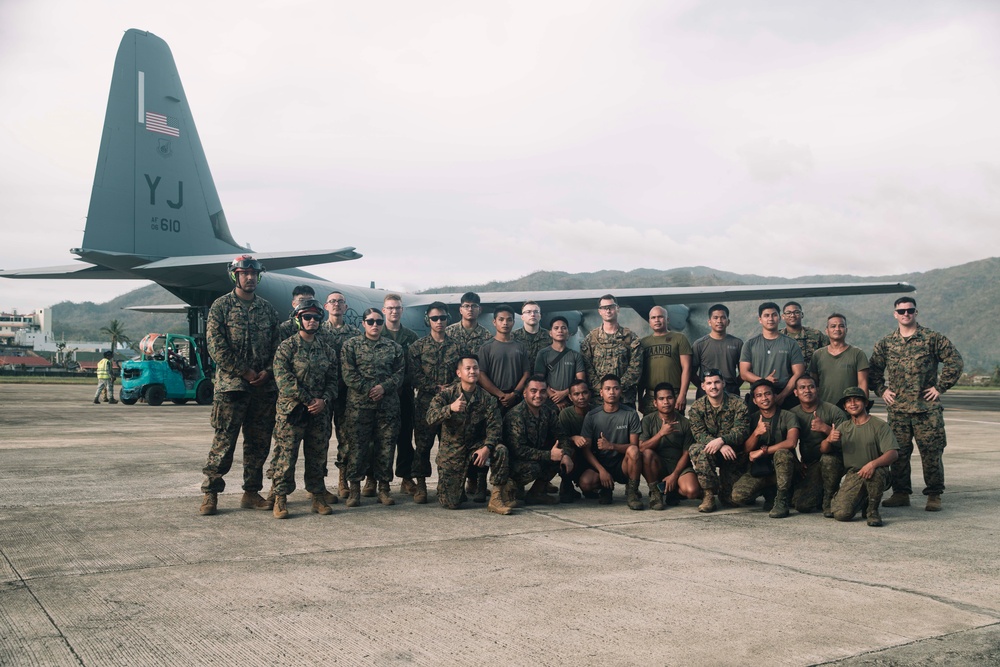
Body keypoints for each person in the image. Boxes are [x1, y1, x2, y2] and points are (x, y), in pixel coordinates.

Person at [199, 255, 281, 516]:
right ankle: (211, 493)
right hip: (232, 387)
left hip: (263, 389)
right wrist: (244, 371)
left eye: (254, 274)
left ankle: (251, 493)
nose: (250, 278)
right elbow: (215, 346)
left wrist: (267, 372)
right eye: (244, 273)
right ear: (235, 276)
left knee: (258, 444)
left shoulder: (267, 309)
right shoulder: (221, 306)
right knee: (224, 442)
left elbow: (277, 348)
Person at [868, 297, 963, 512]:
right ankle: (901, 493)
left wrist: (940, 387)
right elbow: (873, 370)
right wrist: (882, 391)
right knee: (898, 453)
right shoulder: (886, 343)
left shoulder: (932, 338)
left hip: (926, 410)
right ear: (895, 314)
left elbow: (955, 360)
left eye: (909, 310)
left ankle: (934, 494)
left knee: (931, 452)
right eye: (901, 311)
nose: (905, 314)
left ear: (916, 312)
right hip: (899, 410)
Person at [270, 300, 339, 519]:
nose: (312, 321)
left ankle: (317, 495)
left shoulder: (326, 350)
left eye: (316, 318)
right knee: (286, 455)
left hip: (319, 412)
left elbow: (333, 380)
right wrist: (309, 400)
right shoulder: (286, 347)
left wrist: (324, 400)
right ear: (298, 319)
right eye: (307, 317)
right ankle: (280, 497)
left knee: (317, 454)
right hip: (292, 411)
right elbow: (284, 380)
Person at [425, 355, 514, 515]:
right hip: (453, 452)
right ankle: (462, 486)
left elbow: (495, 427)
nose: (472, 371)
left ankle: (495, 498)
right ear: (459, 373)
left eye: (475, 368)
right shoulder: (447, 395)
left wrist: (487, 447)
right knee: (451, 503)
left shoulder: (487, 398)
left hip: (476, 448)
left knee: (500, 450)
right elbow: (430, 418)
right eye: (468, 368)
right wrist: (450, 408)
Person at [340, 307, 404, 507]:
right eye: (370, 321)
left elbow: (400, 373)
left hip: (388, 406)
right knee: (357, 448)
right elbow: (348, 374)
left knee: (386, 448)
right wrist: (370, 389)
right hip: (359, 407)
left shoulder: (393, 348)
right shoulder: (351, 346)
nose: (375, 325)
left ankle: (383, 489)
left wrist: (383, 388)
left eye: (378, 321)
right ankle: (355, 490)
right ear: (363, 323)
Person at [407, 301, 463, 504]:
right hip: (425, 403)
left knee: (448, 447)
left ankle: (445, 485)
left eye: (443, 318)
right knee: (423, 446)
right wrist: (434, 387)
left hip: (450, 404)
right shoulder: (418, 347)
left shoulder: (457, 346)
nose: (439, 322)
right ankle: (420, 485)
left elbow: (463, 372)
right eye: (435, 318)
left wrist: (451, 388)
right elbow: (414, 375)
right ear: (427, 320)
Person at [474, 304, 530, 500]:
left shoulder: (520, 347)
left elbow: (526, 373)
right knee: (489, 442)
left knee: (515, 443)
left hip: (516, 402)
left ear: (514, 322)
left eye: (509, 320)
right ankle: (481, 485)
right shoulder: (486, 348)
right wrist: (499, 394)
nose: (505, 323)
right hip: (493, 403)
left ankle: (514, 485)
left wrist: (515, 393)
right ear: (494, 322)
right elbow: (481, 374)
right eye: (501, 319)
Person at [825, 387, 900, 527]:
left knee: (875, 473)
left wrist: (872, 464)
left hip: (877, 472)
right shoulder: (843, 427)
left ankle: (873, 510)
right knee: (842, 514)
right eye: (848, 401)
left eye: (857, 399)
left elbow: (893, 453)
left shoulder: (879, 426)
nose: (852, 403)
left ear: (865, 403)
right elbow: (824, 450)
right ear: (845, 407)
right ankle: (861, 499)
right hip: (855, 473)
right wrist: (829, 439)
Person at [730, 380, 800, 518]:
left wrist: (764, 451)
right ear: (755, 401)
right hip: (761, 469)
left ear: (774, 396)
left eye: (767, 394)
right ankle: (768, 491)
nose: (764, 398)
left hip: (784, 469)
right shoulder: (751, 419)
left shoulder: (788, 416)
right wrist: (756, 432)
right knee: (738, 496)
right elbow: (746, 449)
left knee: (782, 454)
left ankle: (781, 499)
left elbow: (791, 442)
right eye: (759, 395)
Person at [687, 369, 750, 513]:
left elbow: (742, 431)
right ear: (703, 386)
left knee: (734, 498)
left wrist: (722, 440)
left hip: (733, 454)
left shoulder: (738, 404)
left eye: (716, 382)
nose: (713, 386)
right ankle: (708, 495)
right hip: (713, 451)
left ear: (723, 383)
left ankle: (725, 490)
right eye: (709, 383)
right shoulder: (697, 407)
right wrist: (719, 444)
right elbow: (698, 433)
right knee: (697, 450)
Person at [578, 374, 644, 510]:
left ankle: (632, 492)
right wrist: (601, 470)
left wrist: (611, 446)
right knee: (585, 483)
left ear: (621, 391)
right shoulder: (592, 416)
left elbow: (634, 446)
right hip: (601, 463)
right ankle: (605, 489)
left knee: (634, 451)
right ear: (601, 393)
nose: (612, 392)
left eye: (615, 388)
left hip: (622, 465)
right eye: (607, 389)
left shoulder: (630, 414)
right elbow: (586, 449)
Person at [505, 375, 568, 505]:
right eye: (533, 391)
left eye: (543, 391)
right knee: (537, 466)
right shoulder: (516, 415)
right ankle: (509, 488)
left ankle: (535, 493)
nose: (538, 395)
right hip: (512, 464)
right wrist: (548, 455)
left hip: (535, 457)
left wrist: (566, 455)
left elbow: (562, 436)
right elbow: (518, 450)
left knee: (559, 457)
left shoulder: (548, 412)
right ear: (525, 393)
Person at [789, 375, 846, 517]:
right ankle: (825, 491)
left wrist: (825, 428)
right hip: (811, 464)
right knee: (801, 504)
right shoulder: (793, 414)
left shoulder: (833, 411)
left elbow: (848, 441)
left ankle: (829, 498)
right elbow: (788, 443)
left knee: (828, 460)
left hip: (836, 460)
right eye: (802, 387)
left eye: (811, 387)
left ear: (817, 389)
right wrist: (797, 463)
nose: (807, 390)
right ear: (795, 392)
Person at [381, 294, 419, 497]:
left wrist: (401, 384)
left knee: (405, 437)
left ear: (402, 310)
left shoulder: (411, 337)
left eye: (397, 308)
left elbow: (414, 368)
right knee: (379, 438)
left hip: (404, 394)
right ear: (384, 310)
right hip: (382, 395)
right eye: (390, 308)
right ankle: (375, 478)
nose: (394, 311)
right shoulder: (377, 332)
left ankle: (406, 477)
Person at [638, 383, 700, 510]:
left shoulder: (685, 423)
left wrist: (674, 475)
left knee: (692, 491)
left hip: (679, 466)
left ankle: (673, 491)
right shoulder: (648, 420)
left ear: (675, 399)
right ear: (655, 403)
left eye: (669, 398)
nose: (666, 402)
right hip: (658, 466)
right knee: (647, 454)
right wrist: (661, 433)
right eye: (661, 399)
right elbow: (642, 448)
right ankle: (655, 492)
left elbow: (686, 453)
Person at [324, 291, 361, 498]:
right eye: (332, 301)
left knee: (346, 438)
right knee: (319, 439)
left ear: (346, 307)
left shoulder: (355, 334)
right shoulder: (319, 331)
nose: (336, 304)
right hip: (323, 394)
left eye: (340, 302)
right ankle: (317, 483)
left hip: (347, 394)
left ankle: (342, 479)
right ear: (326, 306)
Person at [580, 294, 643, 409]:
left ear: (617, 308)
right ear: (600, 311)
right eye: (604, 308)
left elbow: (636, 367)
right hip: (598, 401)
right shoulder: (591, 339)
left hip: (624, 399)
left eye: (611, 307)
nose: (608, 310)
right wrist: (602, 389)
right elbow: (587, 367)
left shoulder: (630, 337)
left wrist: (617, 389)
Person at [739, 302, 805, 410]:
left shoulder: (791, 343)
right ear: (760, 319)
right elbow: (744, 373)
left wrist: (782, 396)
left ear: (779, 318)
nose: (770, 318)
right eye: (766, 315)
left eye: (774, 315)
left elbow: (799, 372)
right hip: (758, 394)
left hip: (785, 395)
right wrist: (764, 381)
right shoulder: (750, 344)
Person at [639, 306, 692, 414]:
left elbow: (687, 368)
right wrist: (640, 398)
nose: (657, 320)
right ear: (649, 321)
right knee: (651, 429)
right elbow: (640, 373)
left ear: (667, 320)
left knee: (675, 429)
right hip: (651, 396)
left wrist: (682, 395)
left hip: (673, 395)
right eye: (653, 318)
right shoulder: (643, 343)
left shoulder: (679, 339)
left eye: (660, 317)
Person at [808, 313, 869, 406]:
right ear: (827, 330)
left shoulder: (858, 354)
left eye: (841, 326)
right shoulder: (817, 355)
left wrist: (864, 407)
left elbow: (862, 384)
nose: (837, 329)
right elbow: (814, 384)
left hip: (850, 409)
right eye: (833, 326)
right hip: (825, 409)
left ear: (846, 330)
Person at [690, 304, 743, 397]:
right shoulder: (699, 344)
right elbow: (691, 372)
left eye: (723, 317)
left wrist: (734, 386)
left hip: (731, 390)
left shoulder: (737, 343)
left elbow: (743, 371)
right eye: (715, 318)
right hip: (706, 390)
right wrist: (704, 386)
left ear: (728, 321)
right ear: (709, 322)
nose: (719, 321)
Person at [534, 315, 586, 411]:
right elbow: (538, 380)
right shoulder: (543, 354)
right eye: (556, 328)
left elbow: (581, 380)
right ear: (550, 333)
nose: (560, 331)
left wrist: (565, 393)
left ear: (568, 333)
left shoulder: (575, 355)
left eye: (563, 328)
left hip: (570, 401)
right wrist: (555, 397)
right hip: (548, 402)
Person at [555, 379, 593, 502]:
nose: (581, 397)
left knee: (589, 486)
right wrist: (574, 438)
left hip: (593, 455)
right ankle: (566, 485)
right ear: (570, 397)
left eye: (584, 393)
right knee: (565, 451)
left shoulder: (596, 412)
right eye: (576, 394)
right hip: (574, 455)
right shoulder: (565, 414)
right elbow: (560, 438)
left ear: (590, 394)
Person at [780, 301, 829, 368]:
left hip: (811, 376)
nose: (792, 315)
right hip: (785, 377)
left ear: (802, 314)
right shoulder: (778, 337)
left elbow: (832, 351)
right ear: (783, 316)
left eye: (796, 312)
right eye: (788, 313)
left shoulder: (816, 335)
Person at [512, 300, 551, 369]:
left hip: (544, 378)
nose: (532, 314)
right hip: (521, 378)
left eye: (536, 312)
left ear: (540, 316)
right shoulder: (513, 337)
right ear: (522, 317)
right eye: (528, 312)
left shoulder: (550, 336)